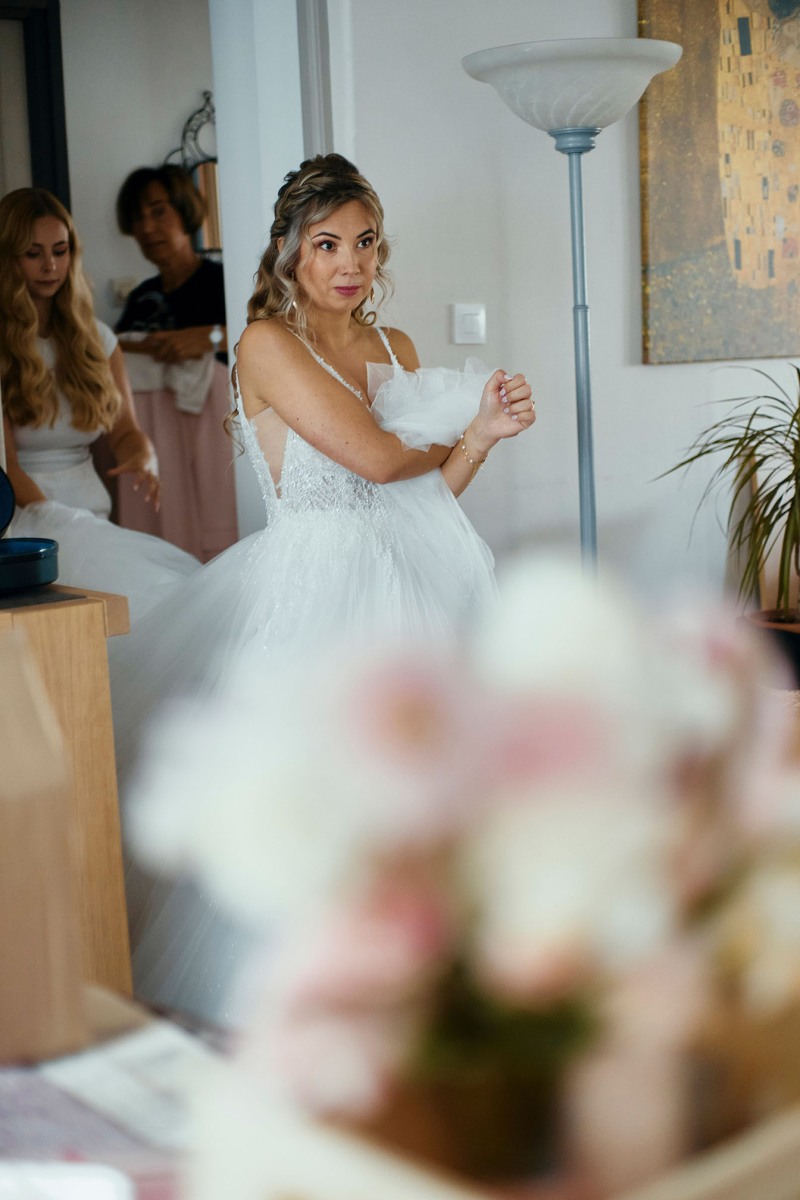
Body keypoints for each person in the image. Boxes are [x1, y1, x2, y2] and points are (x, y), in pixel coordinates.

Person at [114, 153, 536, 1027]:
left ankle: (427, 1002)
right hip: (314, 598)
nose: (352, 264)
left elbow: (423, 496)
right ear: (290, 252)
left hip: (412, 588)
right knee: (331, 808)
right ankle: (309, 1014)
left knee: (424, 801)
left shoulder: (396, 348)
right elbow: (379, 461)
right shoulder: (266, 345)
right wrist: (457, 421)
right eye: (329, 244)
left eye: (366, 243)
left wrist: (484, 433)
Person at [0, 187, 199, 624]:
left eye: (60, 250)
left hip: (89, 512)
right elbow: (7, 467)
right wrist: (62, 526)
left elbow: (125, 431)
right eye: (33, 253)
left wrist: (143, 455)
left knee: (159, 604)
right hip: (23, 525)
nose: (50, 266)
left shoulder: (97, 339)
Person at [114, 164, 237, 561]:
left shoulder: (222, 282)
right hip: (157, 441)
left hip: (215, 438)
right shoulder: (142, 297)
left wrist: (206, 337)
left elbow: (261, 335)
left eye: (158, 211)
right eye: (138, 218)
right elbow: (110, 353)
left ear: (184, 211)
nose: (147, 227)